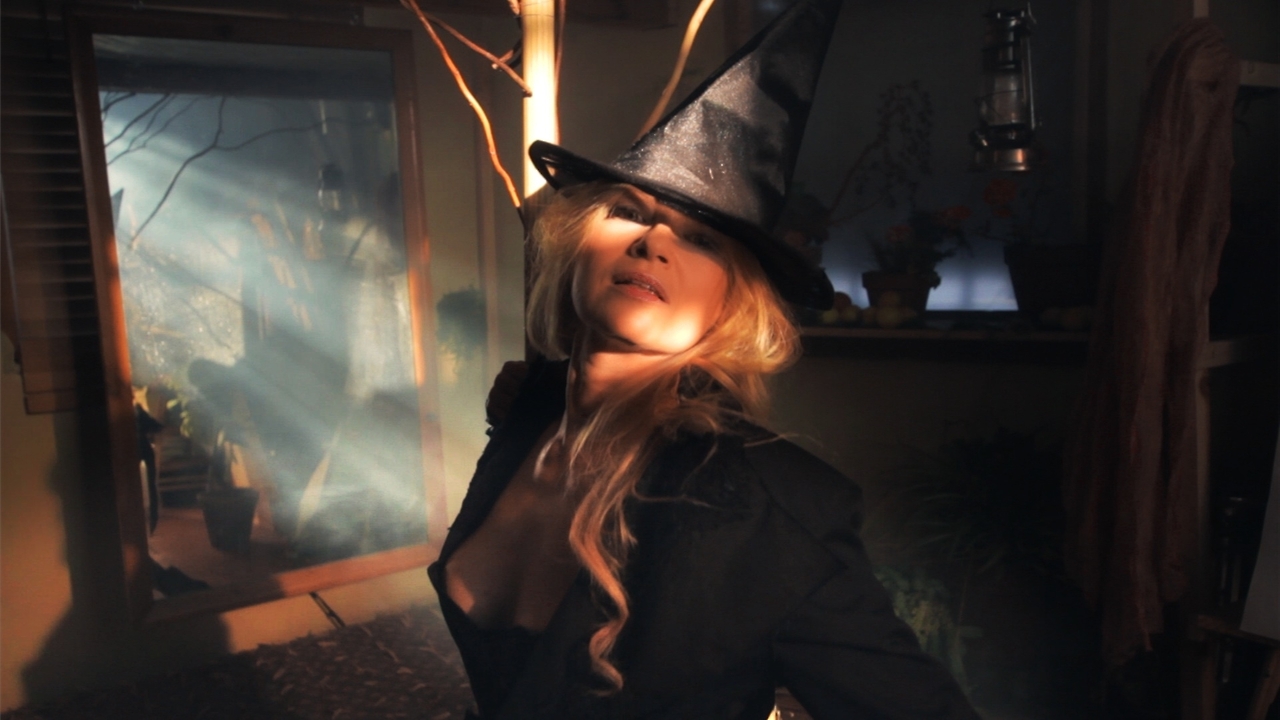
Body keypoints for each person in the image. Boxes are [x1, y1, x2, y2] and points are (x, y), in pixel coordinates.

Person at [427, 0, 981, 717]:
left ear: (733, 302)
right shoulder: (528, 410)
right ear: (576, 243)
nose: (652, 243)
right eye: (629, 211)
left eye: (700, 239)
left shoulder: (767, 507)